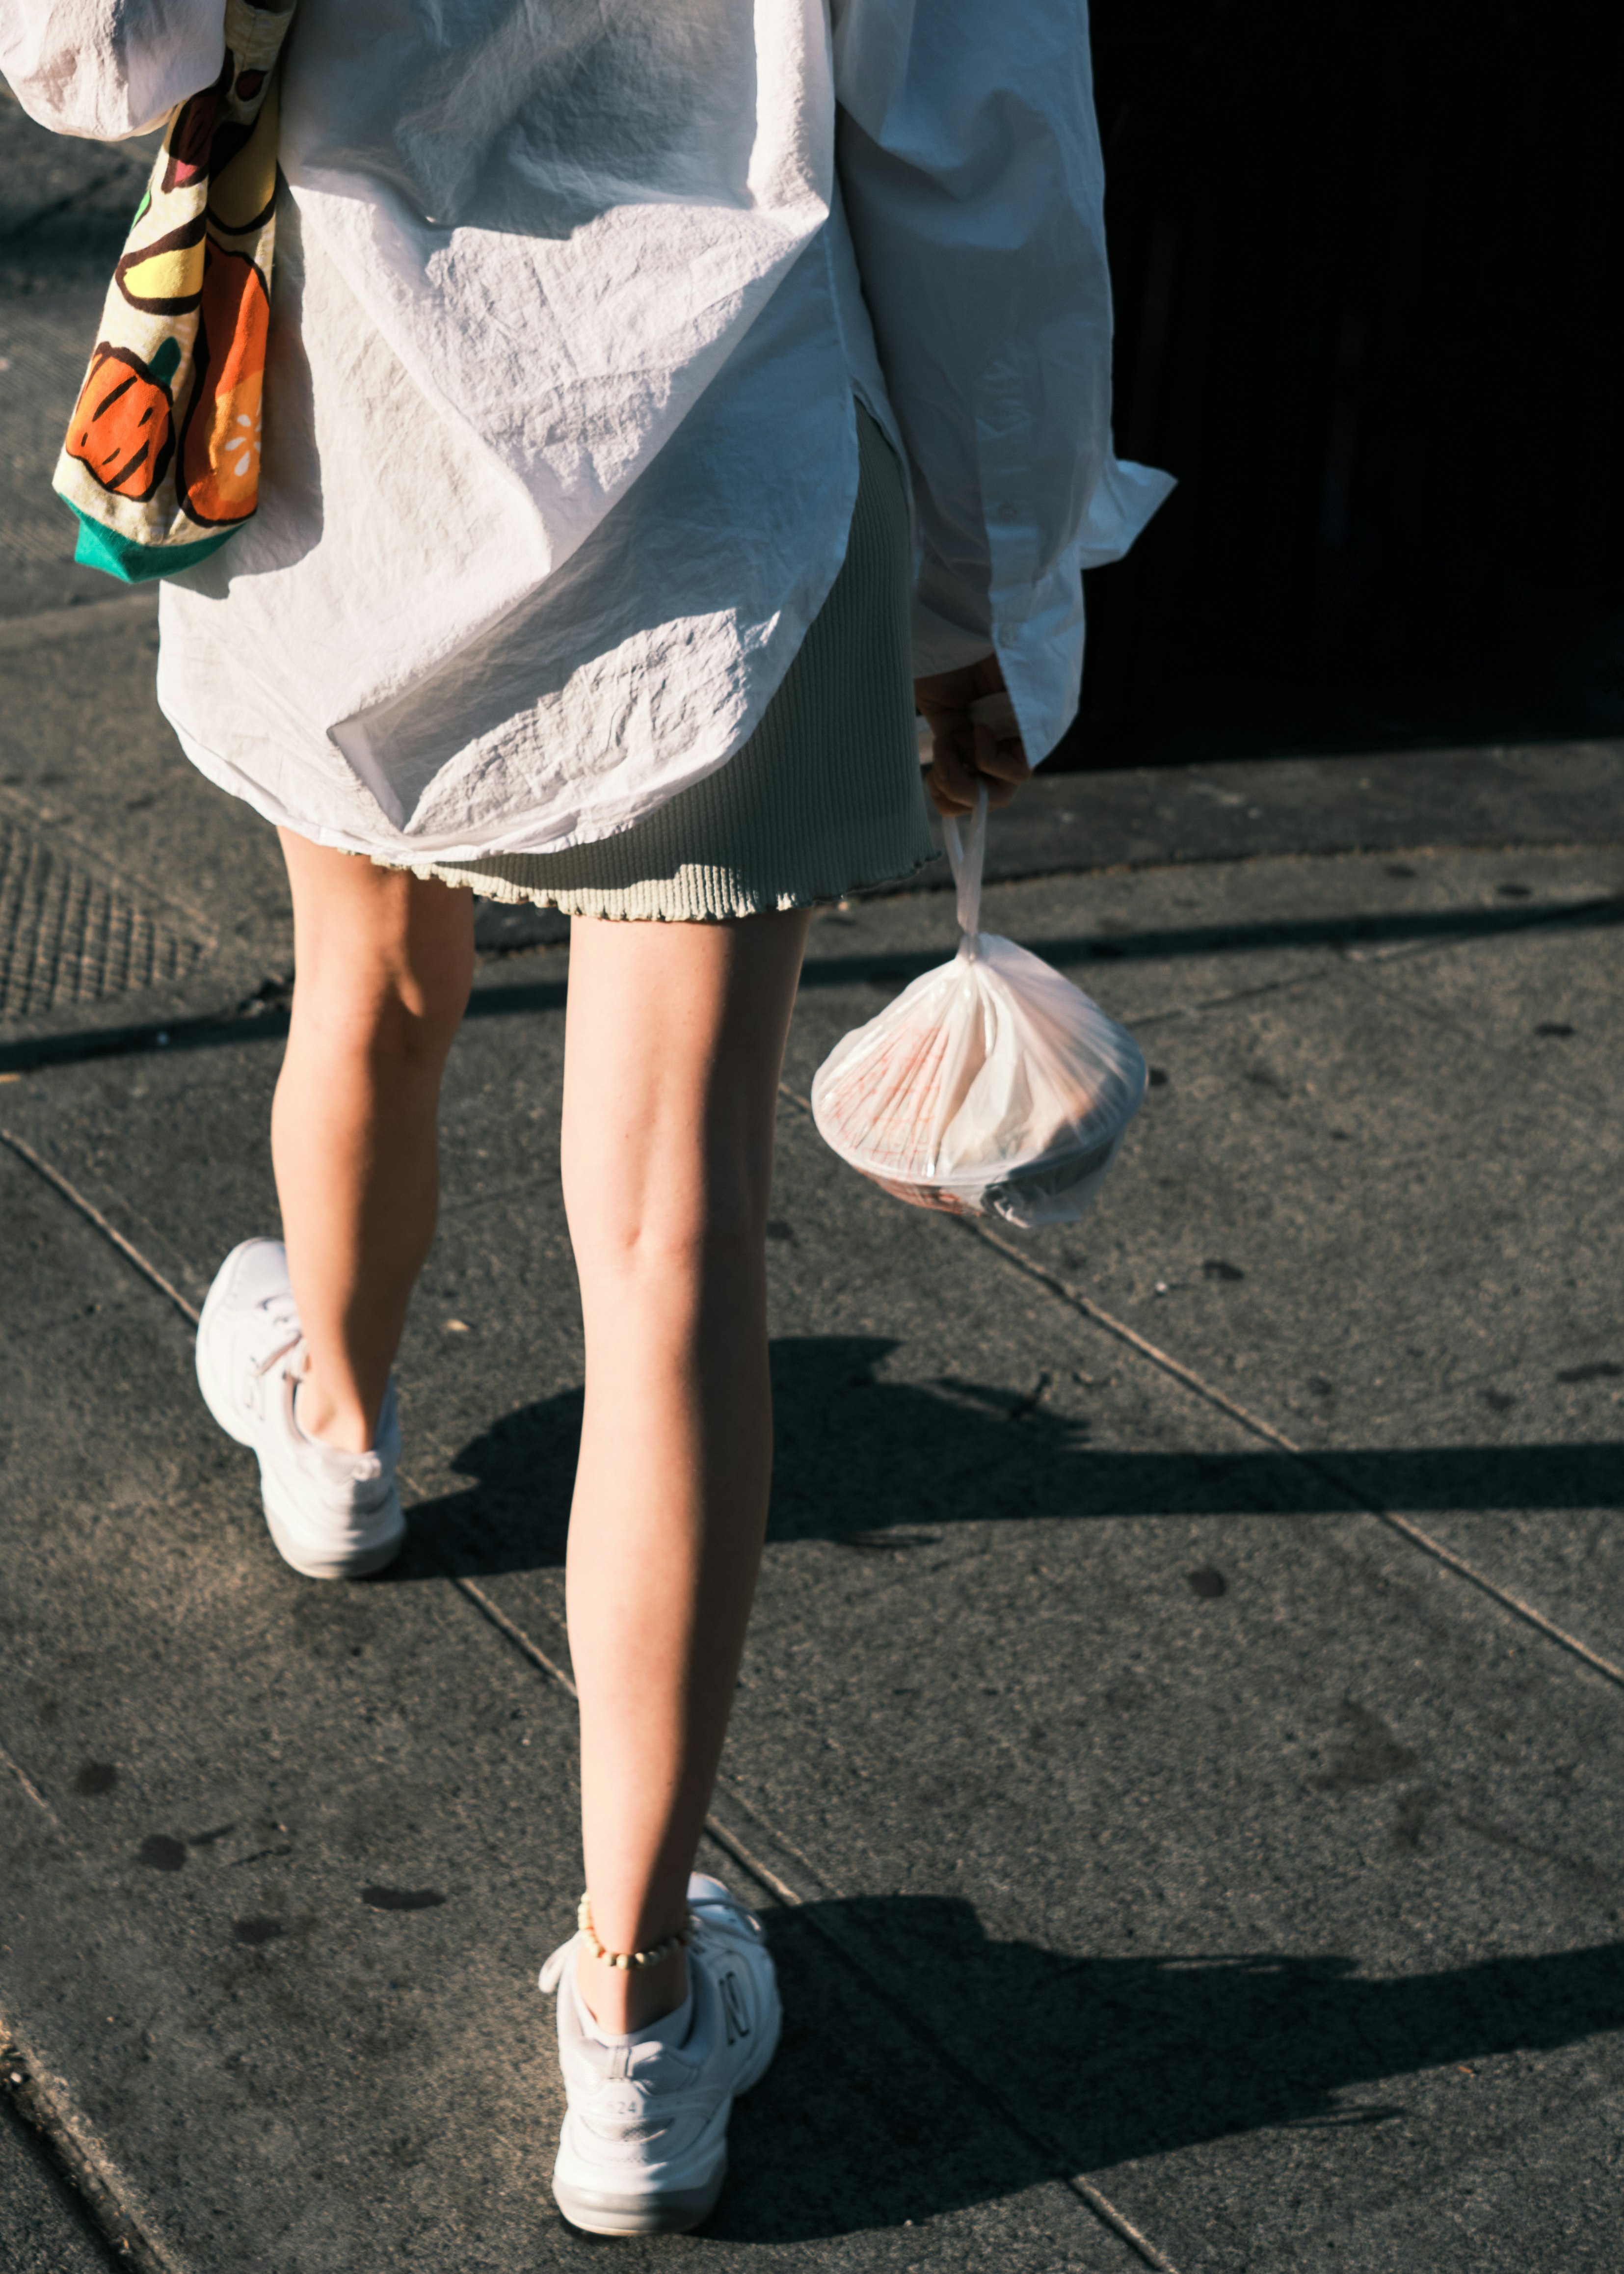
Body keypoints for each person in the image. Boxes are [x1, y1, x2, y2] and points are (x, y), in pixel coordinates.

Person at [2, 0, 1169, 2235]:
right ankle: (635, 2023)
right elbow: (987, 164)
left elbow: (89, 48)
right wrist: (999, 599)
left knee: (362, 987)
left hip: (358, 449)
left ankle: (337, 1426)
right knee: (668, 1248)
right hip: (724, 488)